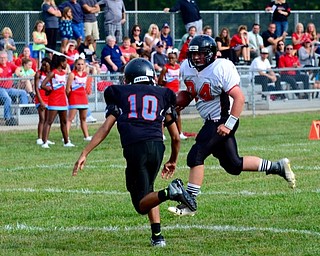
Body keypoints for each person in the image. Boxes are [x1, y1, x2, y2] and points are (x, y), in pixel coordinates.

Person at [72, 57, 196, 247]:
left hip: (135, 146)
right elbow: (176, 137)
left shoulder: (120, 93)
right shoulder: (162, 94)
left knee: (140, 204)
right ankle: (158, 236)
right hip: (157, 146)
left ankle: (170, 192)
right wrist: (172, 160)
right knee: (149, 189)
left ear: (130, 78)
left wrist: (85, 152)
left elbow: (106, 127)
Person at [167, 35, 296, 217]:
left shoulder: (221, 67)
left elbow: (239, 98)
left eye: (201, 54)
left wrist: (229, 125)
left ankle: (190, 202)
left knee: (196, 155)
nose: (196, 58)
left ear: (211, 54)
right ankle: (277, 167)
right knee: (233, 165)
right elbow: (190, 94)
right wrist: (176, 101)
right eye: (194, 54)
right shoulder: (187, 68)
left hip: (224, 118)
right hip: (212, 120)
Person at [40, 55, 74, 148]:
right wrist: (48, 89)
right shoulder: (53, 73)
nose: (66, 64)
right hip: (54, 100)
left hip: (62, 100)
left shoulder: (63, 73)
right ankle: (45, 142)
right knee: (49, 121)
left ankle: (66, 142)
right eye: (65, 62)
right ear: (61, 63)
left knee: (63, 122)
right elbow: (42, 85)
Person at [158, 48, 187, 140]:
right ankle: (162, 133)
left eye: (172, 58)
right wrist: (166, 83)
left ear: (176, 59)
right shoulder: (165, 68)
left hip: (176, 92)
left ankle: (180, 132)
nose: (171, 60)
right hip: (167, 93)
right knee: (164, 113)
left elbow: (179, 79)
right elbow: (160, 81)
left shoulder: (179, 67)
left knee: (177, 113)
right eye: (169, 58)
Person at [66, 57, 92, 141]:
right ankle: (66, 136)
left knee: (83, 118)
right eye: (78, 64)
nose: (80, 66)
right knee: (70, 118)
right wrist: (69, 97)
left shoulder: (85, 74)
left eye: (82, 64)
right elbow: (68, 88)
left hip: (83, 97)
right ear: (75, 65)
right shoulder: (72, 74)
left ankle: (86, 136)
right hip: (74, 97)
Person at [0, 51, 28, 126]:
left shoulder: (9, 64)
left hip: (9, 89)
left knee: (23, 93)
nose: (3, 59)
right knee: (8, 99)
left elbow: (18, 69)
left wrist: (17, 71)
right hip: (1, 89)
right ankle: (8, 118)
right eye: (1, 58)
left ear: (7, 58)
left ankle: (24, 110)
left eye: (4, 58)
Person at [34, 57, 55, 145]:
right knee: (42, 118)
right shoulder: (38, 74)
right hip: (40, 97)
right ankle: (39, 137)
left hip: (49, 98)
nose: (43, 67)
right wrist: (41, 101)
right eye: (42, 64)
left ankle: (45, 137)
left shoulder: (51, 74)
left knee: (47, 119)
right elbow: (36, 88)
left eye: (45, 65)